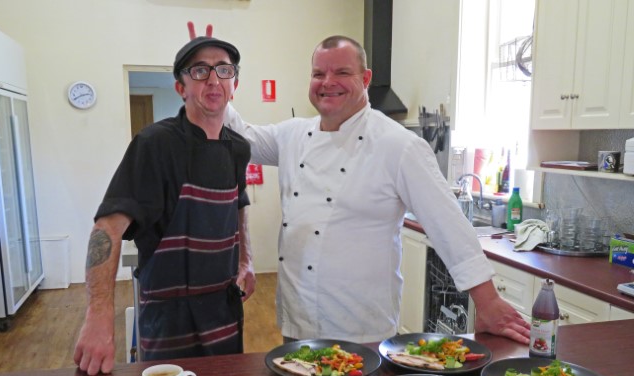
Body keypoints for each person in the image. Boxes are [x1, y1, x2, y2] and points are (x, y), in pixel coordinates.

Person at [225, 35, 530, 345]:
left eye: (342, 72)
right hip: (297, 322)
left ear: (366, 78)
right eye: (319, 74)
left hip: (361, 328)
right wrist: (216, 84)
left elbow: (448, 224)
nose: (328, 82)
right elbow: (239, 135)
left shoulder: (398, 146)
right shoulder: (291, 135)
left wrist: (488, 302)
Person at [74, 35, 255, 376]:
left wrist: (246, 259)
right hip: (169, 317)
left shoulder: (238, 149)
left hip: (224, 310)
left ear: (235, 84)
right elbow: (108, 228)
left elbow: (239, 203)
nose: (214, 79)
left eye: (223, 70)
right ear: (180, 86)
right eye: (200, 70)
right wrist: (98, 318)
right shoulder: (155, 144)